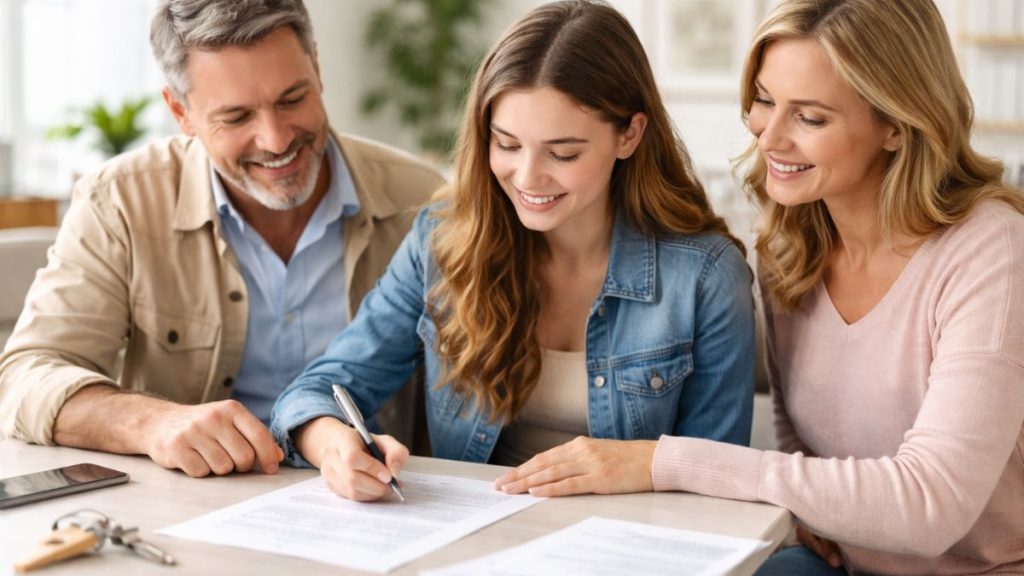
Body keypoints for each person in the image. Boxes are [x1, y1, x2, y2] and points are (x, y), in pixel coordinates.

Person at [495, 0, 1024, 574]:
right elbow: (798, 440)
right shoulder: (792, 241)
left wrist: (662, 461)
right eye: (765, 101)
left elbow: (930, 506)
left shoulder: (992, 249)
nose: (769, 138)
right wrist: (804, 519)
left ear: (897, 124)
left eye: (811, 118)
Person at [270, 0, 755, 502]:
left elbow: (720, 480)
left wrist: (643, 465)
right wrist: (332, 443)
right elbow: (316, 392)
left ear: (629, 135)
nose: (527, 178)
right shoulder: (442, 244)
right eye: (506, 144)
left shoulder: (706, 275)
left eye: (562, 153)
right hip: (475, 539)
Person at [0, 0, 444, 479]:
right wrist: (153, 422)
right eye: (236, 118)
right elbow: (25, 377)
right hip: (191, 505)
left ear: (317, 67)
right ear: (180, 111)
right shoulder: (120, 203)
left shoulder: (421, 202)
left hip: (379, 504)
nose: (275, 140)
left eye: (292, 99)